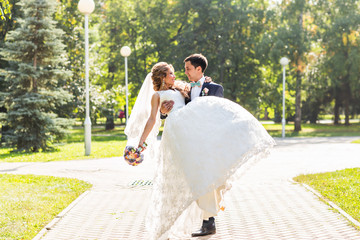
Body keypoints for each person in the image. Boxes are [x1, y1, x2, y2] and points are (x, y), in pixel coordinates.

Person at [125, 58, 275, 240]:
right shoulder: (157, 96)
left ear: (198, 69)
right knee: (191, 176)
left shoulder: (183, 88)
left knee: (205, 174)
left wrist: (205, 82)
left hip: (197, 135)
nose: (178, 74)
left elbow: (206, 107)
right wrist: (144, 139)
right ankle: (204, 219)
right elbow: (152, 119)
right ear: (163, 77)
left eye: (184, 70)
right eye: (171, 73)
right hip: (177, 133)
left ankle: (209, 218)